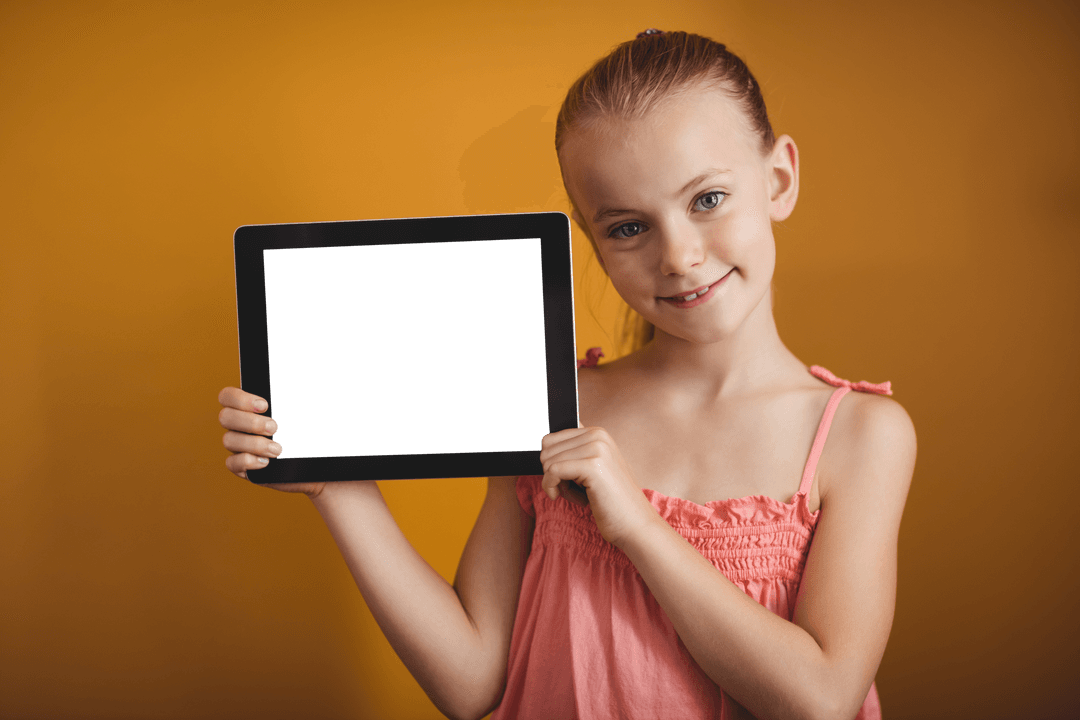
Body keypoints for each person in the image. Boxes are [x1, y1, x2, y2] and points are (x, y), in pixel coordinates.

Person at [217, 30, 915, 720]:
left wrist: (638, 528)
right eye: (628, 228)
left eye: (707, 200)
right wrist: (337, 486)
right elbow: (471, 683)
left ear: (779, 181)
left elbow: (822, 700)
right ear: (590, 238)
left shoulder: (861, 435)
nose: (678, 256)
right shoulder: (547, 402)